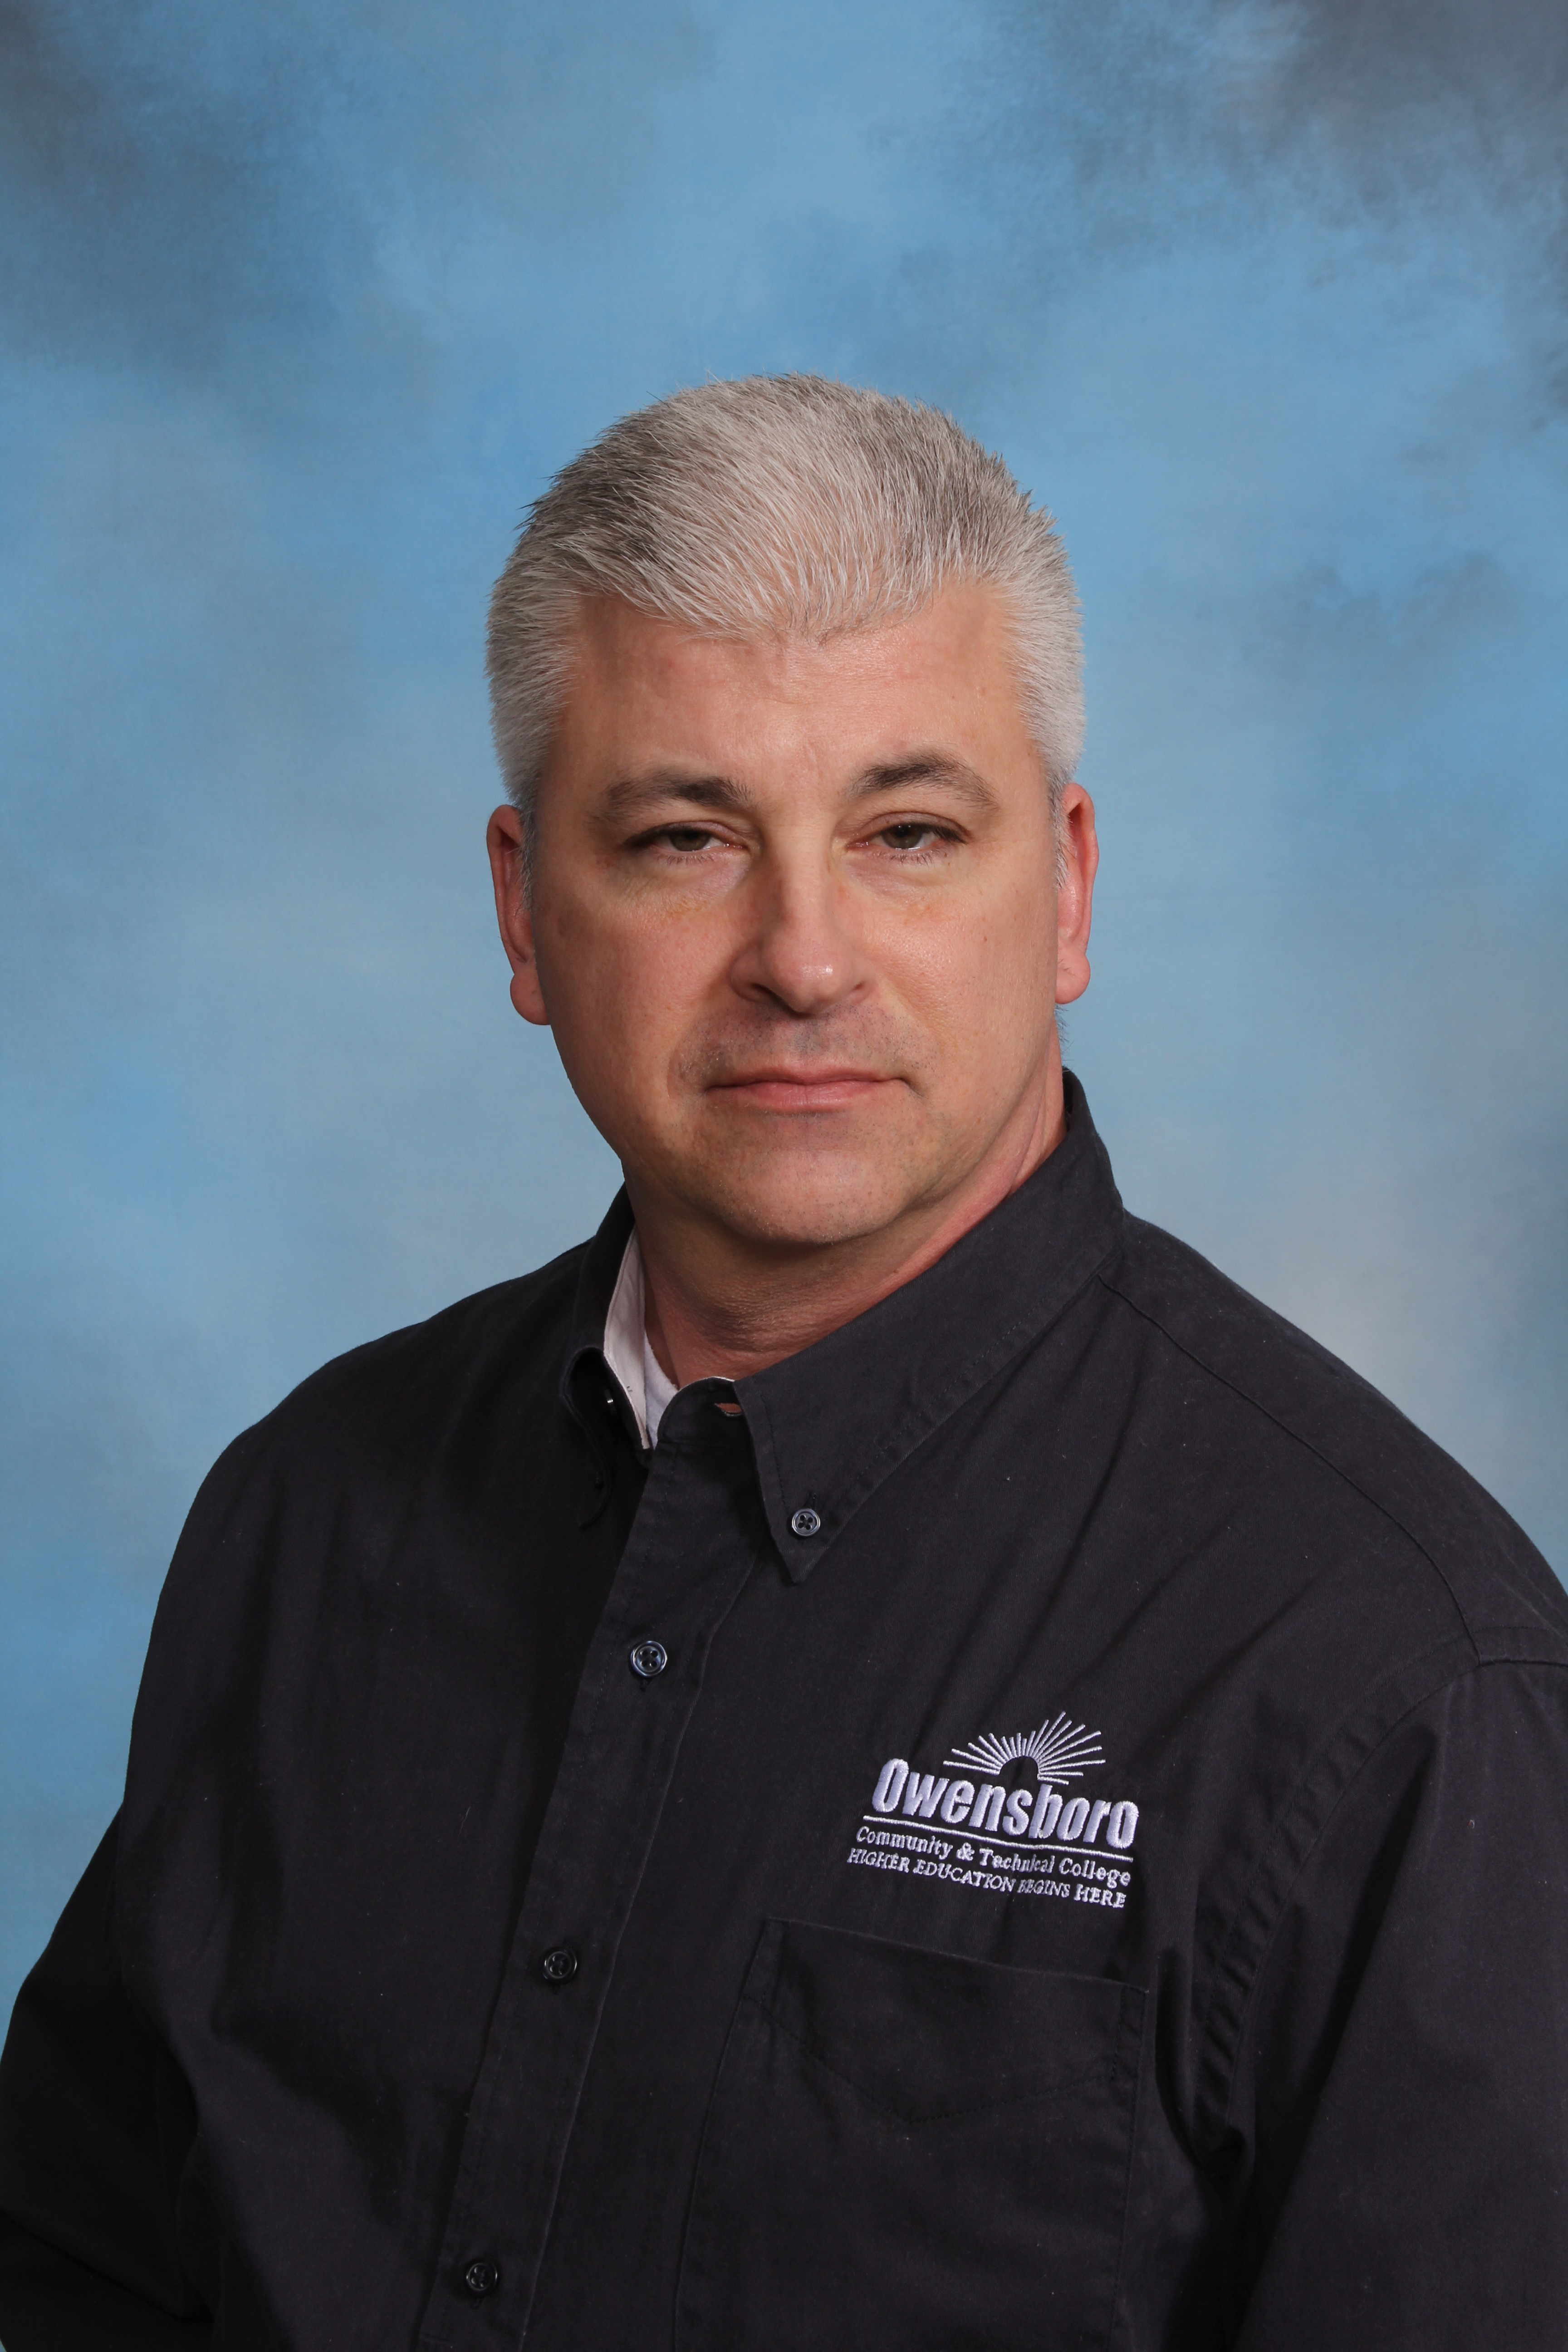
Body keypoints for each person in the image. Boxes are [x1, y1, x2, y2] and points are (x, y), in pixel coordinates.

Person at [1, 375, 1564, 2352]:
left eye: (909, 832)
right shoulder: (309, 1518)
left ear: (1068, 889)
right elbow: (79, 2262)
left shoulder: (1405, 1683)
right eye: (685, 837)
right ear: (523, 912)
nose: (803, 958)